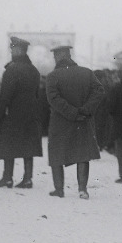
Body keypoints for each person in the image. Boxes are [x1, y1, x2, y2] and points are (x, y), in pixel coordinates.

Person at [45, 45, 105, 199]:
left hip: (60, 121)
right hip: (83, 121)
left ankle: (59, 189)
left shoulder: (52, 76)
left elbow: (53, 99)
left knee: (57, 154)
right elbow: (99, 91)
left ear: (59, 56)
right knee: (82, 154)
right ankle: (82, 189)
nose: (54, 59)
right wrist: (85, 110)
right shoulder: (87, 73)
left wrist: (72, 112)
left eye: (55, 56)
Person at [0, 36, 43, 189]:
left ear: (19, 50)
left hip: (13, 114)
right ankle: (28, 178)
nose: (11, 52)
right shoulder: (34, 70)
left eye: (13, 49)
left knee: (8, 144)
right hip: (31, 114)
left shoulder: (12, 69)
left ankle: (7, 178)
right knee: (28, 146)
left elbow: (5, 95)